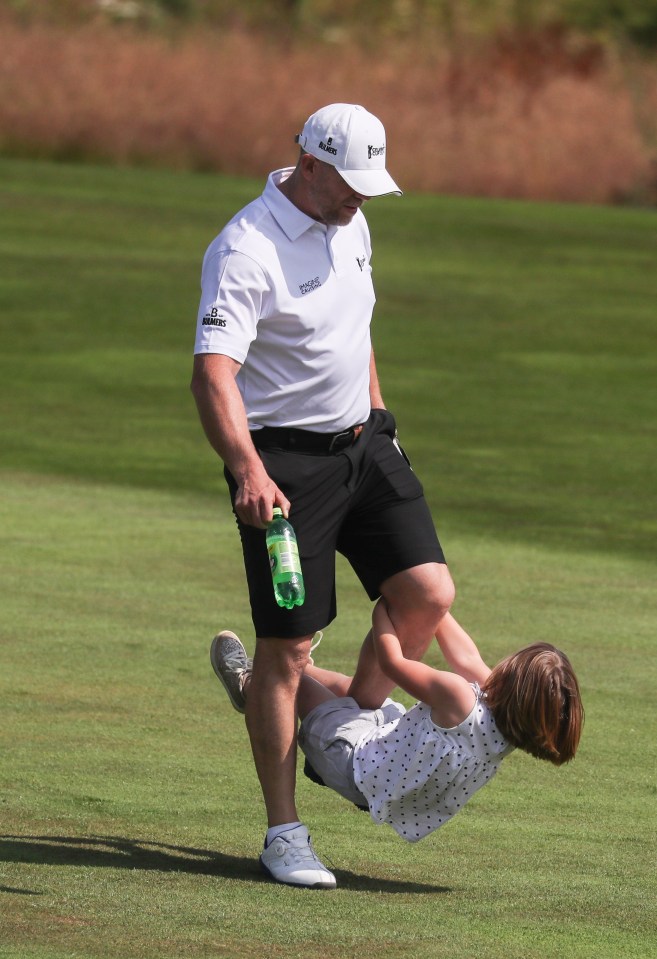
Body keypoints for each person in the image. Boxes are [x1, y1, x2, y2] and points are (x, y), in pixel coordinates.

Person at [191, 103, 455, 889]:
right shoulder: (245, 249)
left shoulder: (352, 221)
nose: (361, 199)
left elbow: (355, 327)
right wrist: (246, 468)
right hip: (284, 469)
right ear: (307, 162)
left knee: (428, 593)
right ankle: (283, 831)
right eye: (350, 182)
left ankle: (352, 710)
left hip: (365, 444)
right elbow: (213, 375)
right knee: (289, 651)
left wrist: (380, 419)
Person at [210, 602, 583, 876]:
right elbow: (465, 653)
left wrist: (385, 608)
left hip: (350, 758)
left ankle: (250, 682)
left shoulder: (458, 697)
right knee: (349, 695)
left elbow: (392, 663)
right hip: (387, 766)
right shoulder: (508, 727)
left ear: (514, 680)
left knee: (285, 680)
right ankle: (304, 666)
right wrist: (428, 601)